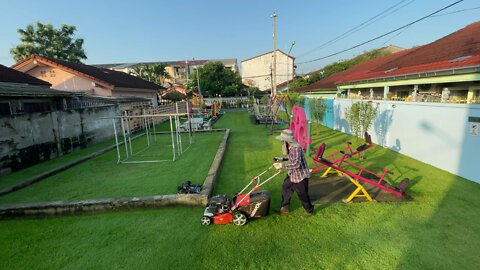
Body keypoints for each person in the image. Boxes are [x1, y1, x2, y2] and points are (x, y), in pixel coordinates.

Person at [273, 129, 314, 216]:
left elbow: (296, 164)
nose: (281, 140)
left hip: (301, 175)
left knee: (302, 195)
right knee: (285, 187)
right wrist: (280, 159)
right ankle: (285, 208)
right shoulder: (288, 145)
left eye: (282, 139)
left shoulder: (296, 148)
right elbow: (290, 157)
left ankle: (309, 211)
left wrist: (282, 165)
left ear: (288, 139)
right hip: (292, 174)